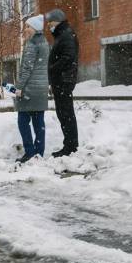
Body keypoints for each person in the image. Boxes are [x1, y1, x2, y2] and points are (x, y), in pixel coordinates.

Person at [14, 15, 50, 164]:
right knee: (38, 121)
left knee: (23, 120)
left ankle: (30, 152)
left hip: (30, 88)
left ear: (35, 28)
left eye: (28, 27)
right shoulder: (44, 42)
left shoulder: (32, 44)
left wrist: (19, 87)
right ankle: (39, 152)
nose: (26, 30)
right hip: (41, 88)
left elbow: (26, 69)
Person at [45, 8, 79, 157]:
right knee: (63, 113)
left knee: (66, 114)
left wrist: (53, 68)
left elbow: (68, 57)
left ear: (58, 21)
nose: (48, 26)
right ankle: (70, 144)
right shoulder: (62, 35)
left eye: (50, 22)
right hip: (61, 79)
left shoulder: (66, 35)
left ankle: (70, 146)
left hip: (64, 80)